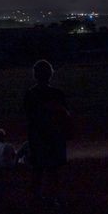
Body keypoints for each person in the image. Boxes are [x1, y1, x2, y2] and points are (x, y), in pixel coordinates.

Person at [23, 60, 68, 203]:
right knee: (53, 168)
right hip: (54, 134)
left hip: (37, 135)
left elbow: (28, 116)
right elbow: (64, 115)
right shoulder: (57, 93)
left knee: (37, 168)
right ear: (51, 75)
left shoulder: (30, 94)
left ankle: (36, 196)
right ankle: (54, 196)